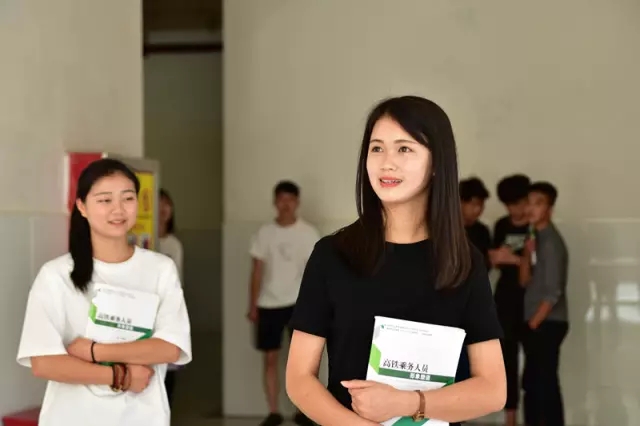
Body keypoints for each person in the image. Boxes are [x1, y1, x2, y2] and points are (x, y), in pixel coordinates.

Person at [285, 96, 506, 426]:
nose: (386, 163)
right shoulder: (333, 255)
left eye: (404, 148)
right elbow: (299, 379)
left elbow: (492, 390)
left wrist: (406, 403)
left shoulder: (462, 261)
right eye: (377, 148)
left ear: (436, 163)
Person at [16, 159, 192, 426]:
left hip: (143, 417)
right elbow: (44, 362)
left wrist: (95, 351)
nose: (118, 209)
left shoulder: (160, 269)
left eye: (128, 198)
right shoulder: (56, 275)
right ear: (82, 207)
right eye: (105, 200)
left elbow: (170, 348)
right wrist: (120, 377)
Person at [247, 180, 320, 426]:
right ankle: (273, 411)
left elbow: (315, 274)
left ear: (297, 202)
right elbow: (256, 271)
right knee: (270, 359)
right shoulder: (264, 233)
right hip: (268, 304)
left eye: (290, 199)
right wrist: (252, 305)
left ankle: (303, 411)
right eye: (281, 199)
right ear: (275, 202)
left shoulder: (308, 233)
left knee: (302, 363)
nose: (286, 204)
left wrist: (318, 306)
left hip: (300, 304)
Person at [519, 182, 569, 426]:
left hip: (547, 322)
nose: (530, 208)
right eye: (529, 202)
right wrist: (527, 252)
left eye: (538, 203)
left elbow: (553, 292)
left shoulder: (551, 242)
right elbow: (524, 280)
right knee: (533, 384)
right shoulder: (535, 238)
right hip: (538, 322)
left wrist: (533, 324)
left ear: (550, 208)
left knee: (544, 384)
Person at [489, 173, 531, 426]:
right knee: (507, 360)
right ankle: (510, 419)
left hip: (531, 299)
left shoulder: (535, 227)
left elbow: (539, 267)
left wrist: (513, 259)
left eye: (519, 203)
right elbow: (494, 259)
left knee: (534, 363)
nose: (515, 210)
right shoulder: (502, 225)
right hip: (505, 298)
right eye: (509, 205)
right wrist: (512, 259)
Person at [158, 188, 185, 408]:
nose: (163, 208)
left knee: (168, 369)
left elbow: (178, 282)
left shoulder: (174, 244)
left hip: (168, 311)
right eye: (158, 203)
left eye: (167, 204)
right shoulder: (137, 240)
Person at [459, 177, 491, 265]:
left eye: (481, 204)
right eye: (473, 204)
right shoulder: (445, 229)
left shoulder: (482, 231)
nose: (478, 209)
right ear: (459, 202)